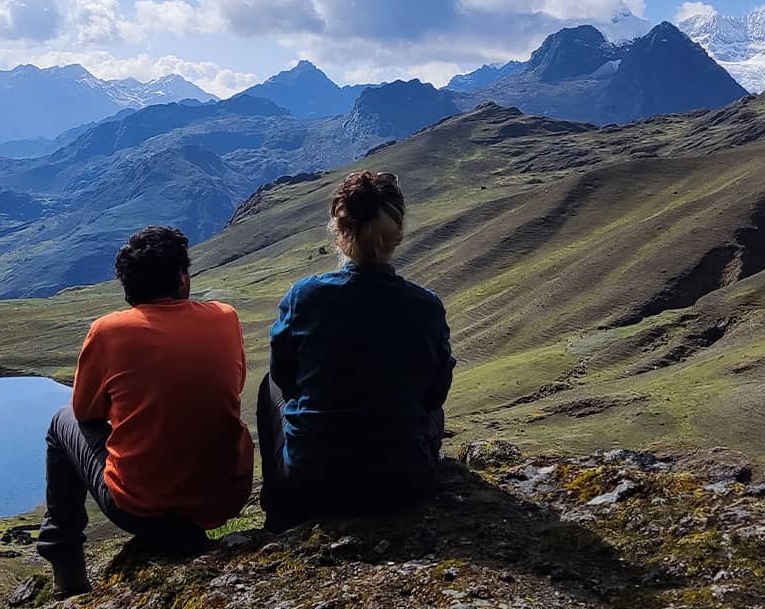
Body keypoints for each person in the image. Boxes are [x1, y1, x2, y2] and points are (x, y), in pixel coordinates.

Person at [37, 226, 253, 598]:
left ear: (128, 286)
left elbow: (85, 411)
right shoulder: (225, 317)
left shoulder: (108, 331)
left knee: (62, 422)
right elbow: (233, 387)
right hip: (225, 497)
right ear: (182, 278)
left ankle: (66, 564)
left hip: (140, 508)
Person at [257, 170, 455, 531]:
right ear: (398, 232)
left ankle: (278, 506)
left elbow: (284, 379)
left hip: (313, 481)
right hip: (404, 483)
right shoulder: (425, 305)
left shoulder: (304, 296)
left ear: (339, 227)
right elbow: (435, 393)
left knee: (267, 386)